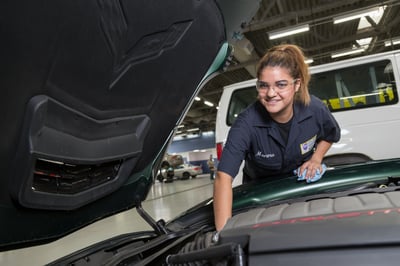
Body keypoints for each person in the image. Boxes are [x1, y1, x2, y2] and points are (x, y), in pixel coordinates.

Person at [213, 44, 341, 231]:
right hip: (260, 193)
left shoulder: (314, 109)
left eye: (281, 84)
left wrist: (316, 158)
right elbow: (223, 177)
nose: (271, 94)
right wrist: (223, 234)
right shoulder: (246, 123)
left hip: (298, 187)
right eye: (264, 86)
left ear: (296, 84)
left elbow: (330, 134)